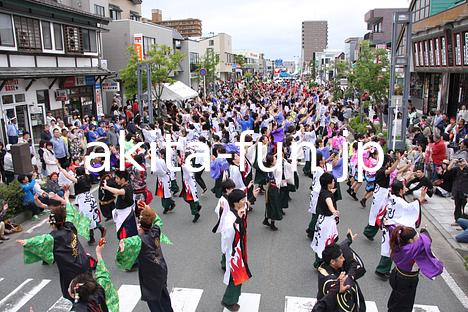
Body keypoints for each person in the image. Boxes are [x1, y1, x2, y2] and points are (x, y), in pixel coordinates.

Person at [16, 190, 94, 301]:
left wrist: (27, 242)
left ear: (52, 223)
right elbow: (70, 210)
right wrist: (66, 197)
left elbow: (40, 241)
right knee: (88, 290)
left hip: (70, 269)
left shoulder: (53, 237)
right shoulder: (70, 225)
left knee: (75, 294)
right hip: (83, 262)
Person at [116, 204, 173, 312]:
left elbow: (123, 247)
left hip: (150, 275)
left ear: (140, 226)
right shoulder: (155, 230)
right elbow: (157, 220)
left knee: (153, 301)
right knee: (163, 295)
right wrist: (148, 208)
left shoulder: (138, 240)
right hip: (161, 268)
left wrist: (122, 246)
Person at [375, 181, 425, 280]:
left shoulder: (389, 196)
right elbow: (410, 208)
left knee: (388, 247)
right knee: (393, 248)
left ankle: (383, 268)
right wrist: (420, 200)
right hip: (393, 228)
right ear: (401, 190)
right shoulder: (400, 202)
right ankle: (383, 270)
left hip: (388, 225)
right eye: (404, 187)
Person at [388, 226, 444, 312]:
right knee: (405, 306)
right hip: (406, 280)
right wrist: (425, 232)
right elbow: (427, 240)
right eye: (416, 236)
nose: (419, 237)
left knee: (395, 301)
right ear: (411, 240)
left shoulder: (398, 243)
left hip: (397, 274)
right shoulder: (411, 249)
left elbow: (392, 229)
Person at [313, 230, 366, 312]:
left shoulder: (330, 265)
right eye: (341, 258)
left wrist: (348, 240)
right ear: (332, 261)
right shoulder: (328, 278)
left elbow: (342, 248)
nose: (344, 259)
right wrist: (350, 275)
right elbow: (352, 270)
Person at [220, 189, 251, 312]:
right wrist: (237, 220)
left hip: (240, 249)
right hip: (234, 252)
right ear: (235, 203)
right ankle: (228, 301)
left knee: (240, 275)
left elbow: (247, 206)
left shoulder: (239, 210)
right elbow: (228, 236)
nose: (245, 201)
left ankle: (233, 299)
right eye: (242, 200)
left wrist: (252, 196)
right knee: (236, 277)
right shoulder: (230, 217)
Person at [69, 240, 119, 312]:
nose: (68, 288)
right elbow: (103, 273)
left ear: (75, 295)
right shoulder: (99, 290)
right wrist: (98, 252)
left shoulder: (78, 309)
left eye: (69, 287)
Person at [363, 154, 399, 241]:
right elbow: (391, 170)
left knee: (380, 213)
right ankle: (369, 231)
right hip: (380, 194)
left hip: (381, 193)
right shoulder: (382, 170)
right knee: (378, 214)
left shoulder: (381, 169)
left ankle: (370, 231)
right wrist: (397, 161)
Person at [311, 173, 340, 268]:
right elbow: (329, 203)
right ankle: (321, 262)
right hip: (327, 222)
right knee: (325, 241)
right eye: (332, 181)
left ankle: (319, 261)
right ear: (328, 184)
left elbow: (327, 195)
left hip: (322, 220)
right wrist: (334, 211)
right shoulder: (327, 195)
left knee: (320, 240)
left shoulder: (324, 191)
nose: (334, 182)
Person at [102, 170, 138, 240]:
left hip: (125, 214)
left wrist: (106, 187)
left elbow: (119, 191)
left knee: (126, 235)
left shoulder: (127, 188)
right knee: (124, 234)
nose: (116, 180)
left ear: (123, 179)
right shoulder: (125, 185)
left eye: (117, 178)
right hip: (123, 213)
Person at [154, 149, 176, 214]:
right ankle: (171, 203)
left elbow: (160, 170)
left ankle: (166, 207)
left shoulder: (162, 161)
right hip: (164, 177)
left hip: (164, 177)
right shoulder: (165, 160)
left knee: (164, 193)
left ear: (162, 154)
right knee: (164, 193)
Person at [448, 158, 468, 224]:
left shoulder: (467, 168)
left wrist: (466, 163)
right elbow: (448, 170)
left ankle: (465, 222)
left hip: (465, 191)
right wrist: (452, 162)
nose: (461, 162)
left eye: (462, 161)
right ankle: (457, 220)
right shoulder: (456, 169)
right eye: (460, 161)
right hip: (457, 190)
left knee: (465, 207)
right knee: (457, 206)